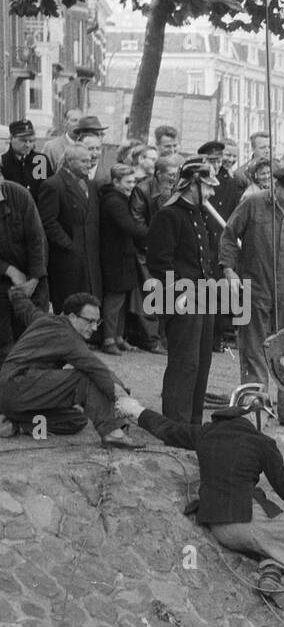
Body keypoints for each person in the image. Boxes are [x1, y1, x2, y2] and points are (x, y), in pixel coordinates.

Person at [117, 387, 284, 627]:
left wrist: (134, 410)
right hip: (248, 518)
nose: (266, 423)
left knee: (274, 545)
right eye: (265, 417)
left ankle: (271, 573)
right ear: (252, 413)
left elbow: (166, 428)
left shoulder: (206, 432)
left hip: (220, 527)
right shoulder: (261, 442)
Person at [218, 165, 284, 427]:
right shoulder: (253, 204)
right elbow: (229, 236)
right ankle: (254, 409)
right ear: (278, 188)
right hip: (255, 289)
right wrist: (229, 270)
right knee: (253, 350)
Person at [0, 289, 137, 447]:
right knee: (83, 378)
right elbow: (96, 368)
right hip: (18, 385)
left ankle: (14, 424)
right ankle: (111, 434)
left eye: (97, 322)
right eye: (89, 321)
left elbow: (25, 308)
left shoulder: (43, 318)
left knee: (76, 420)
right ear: (72, 317)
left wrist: (16, 293)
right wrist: (122, 394)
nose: (94, 328)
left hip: (14, 392)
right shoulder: (69, 337)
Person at [147, 157, 223, 422]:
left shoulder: (199, 214)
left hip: (202, 298)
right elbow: (159, 262)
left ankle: (192, 422)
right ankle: (176, 423)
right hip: (180, 300)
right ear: (193, 184)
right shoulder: (168, 215)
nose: (212, 192)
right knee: (184, 364)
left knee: (201, 364)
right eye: (208, 187)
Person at [99, 164, 159, 355]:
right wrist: (156, 234)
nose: (131, 186)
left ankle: (118, 337)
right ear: (116, 181)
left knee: (122, 299)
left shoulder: (120, 199)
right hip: (115, 256)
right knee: (114, 299)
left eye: (133, 181)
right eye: (127, 182)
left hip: (123, 255)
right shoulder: (114, 202)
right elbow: (129, 226)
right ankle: (109, 339)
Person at [38, 141, 101, 311]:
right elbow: (48, 221)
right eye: (84, 161)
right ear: (69, 161)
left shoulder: (92, 185)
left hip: (91, 259)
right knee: (71, 306)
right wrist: (69, 245)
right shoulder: (53, 185)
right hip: (67, 260)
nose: (89, 165)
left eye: (89, 161)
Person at [0, 179, 49, 358]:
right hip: (3, 278)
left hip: (33, 276)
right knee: (4, 342)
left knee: (35, 334)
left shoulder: (20, 195)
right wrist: (9, 270)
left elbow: (37, 238)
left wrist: (34, 279)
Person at [2, 119, 50, 195]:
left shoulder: (41, 160)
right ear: (11, 138)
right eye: (23, 141)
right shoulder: (3, 162)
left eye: (31, 141)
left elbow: (47, 189)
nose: (28, 145)